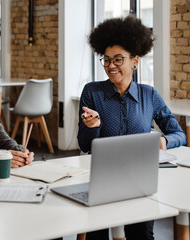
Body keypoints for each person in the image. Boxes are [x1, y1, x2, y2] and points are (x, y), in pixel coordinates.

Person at [77, 15, 186, 240]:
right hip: (102, 178)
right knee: (97, 233)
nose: (111, 66)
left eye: (118, 60)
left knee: (142, 235)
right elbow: (85, 145)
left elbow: (179, 134)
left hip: (140, 179)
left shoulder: (149, 95)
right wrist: (93, 126)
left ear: (135, 60)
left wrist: (165, 141)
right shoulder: (92, 92)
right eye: (106, 60)